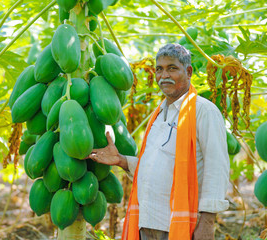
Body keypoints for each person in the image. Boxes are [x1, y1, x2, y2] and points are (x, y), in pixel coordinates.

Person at [88, 44, 230, 240]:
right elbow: (155, 166)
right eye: (159, 69)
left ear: (188, 72)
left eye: (172, 68)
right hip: (147, 221)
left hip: (179, 223)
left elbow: (217, 168)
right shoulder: (157, 114)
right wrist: (121, 160)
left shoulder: (203, 111)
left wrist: (207, 222)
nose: (164, 75)